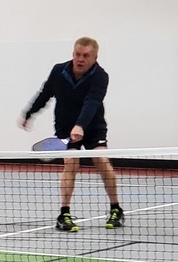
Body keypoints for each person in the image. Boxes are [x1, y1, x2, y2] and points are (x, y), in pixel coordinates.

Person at [19, 37, 123, 232]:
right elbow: (45, 93)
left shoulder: (100, 76)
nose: (80, 59)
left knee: (101, 160)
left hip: (92, 127)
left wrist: (81, 125)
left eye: (85, 56)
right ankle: (64, 213)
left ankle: (116, 209)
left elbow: (92, 101)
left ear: (95, 57)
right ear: (72, 54)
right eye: (77, 54)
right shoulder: (59, 71)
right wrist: (29, 113)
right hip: (65, 128)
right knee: (71, 163)